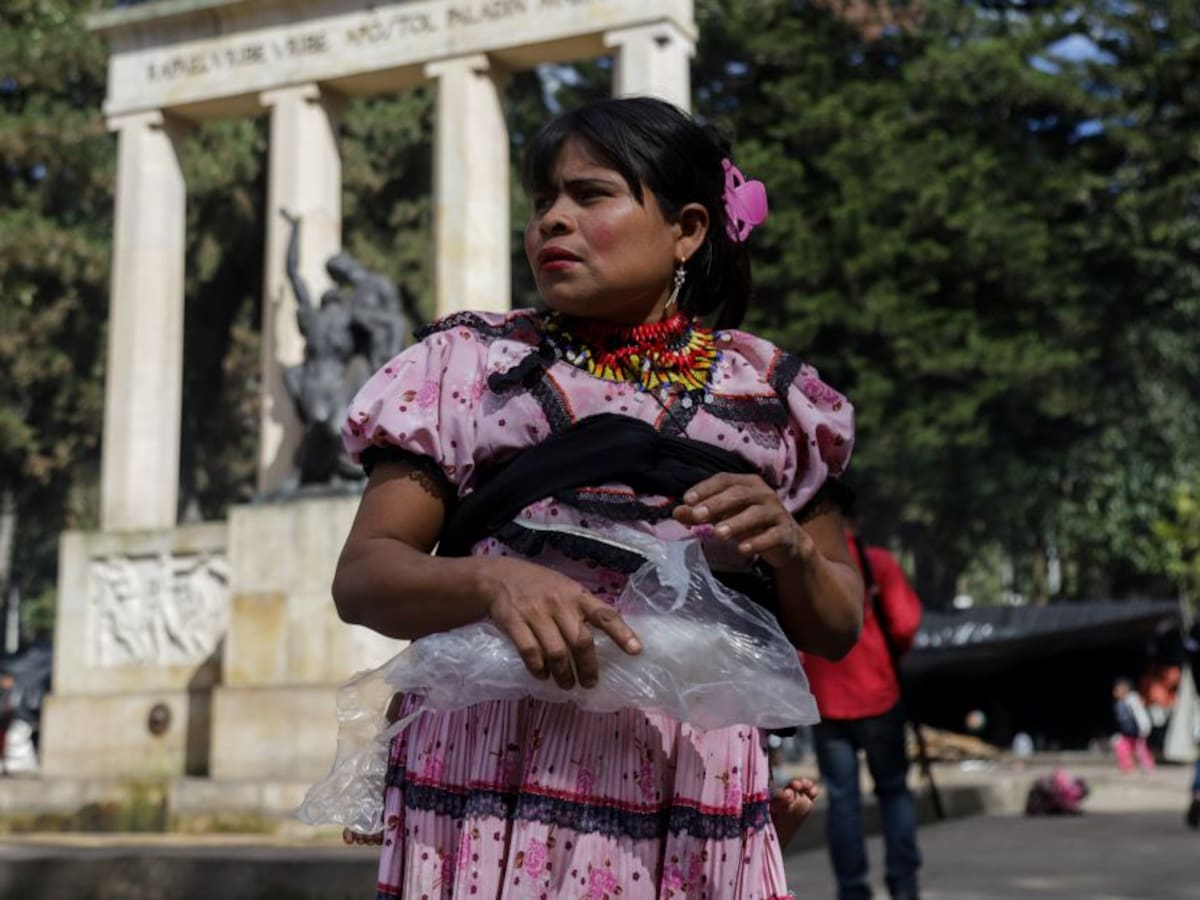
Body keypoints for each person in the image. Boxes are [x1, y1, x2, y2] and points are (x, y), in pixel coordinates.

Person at [331, 96, 862, 898]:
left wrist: (789, 548)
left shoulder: (776, 400)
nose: (553, 220)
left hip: (688, 777)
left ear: (687, 229)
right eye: (543, 200)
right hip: (488, 777)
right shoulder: (465, 369)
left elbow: (837, 626)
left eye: (590, 195)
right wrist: (490, 582)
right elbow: (365, 578)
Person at [800, 509, 923, 900]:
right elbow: (905, 624)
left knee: (843, 800)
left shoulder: (806, 564)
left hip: (827, 698)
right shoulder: (877, 562)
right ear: (857, 518)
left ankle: (852, 891)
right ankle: (903, 885)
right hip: (879, 692)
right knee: (893, 791)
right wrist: (887, 657)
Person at [1112, 677, 1155, 774]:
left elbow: (1141, 716)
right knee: (1120, 748)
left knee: (1141, 751)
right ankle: (1127, 768)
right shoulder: (1118, 704)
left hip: (1137, 732)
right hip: (1126, 734)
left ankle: (1147, 767)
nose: (1115, 692)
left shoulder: (1133, 701)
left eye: (1118, 690)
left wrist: (1144, 730)